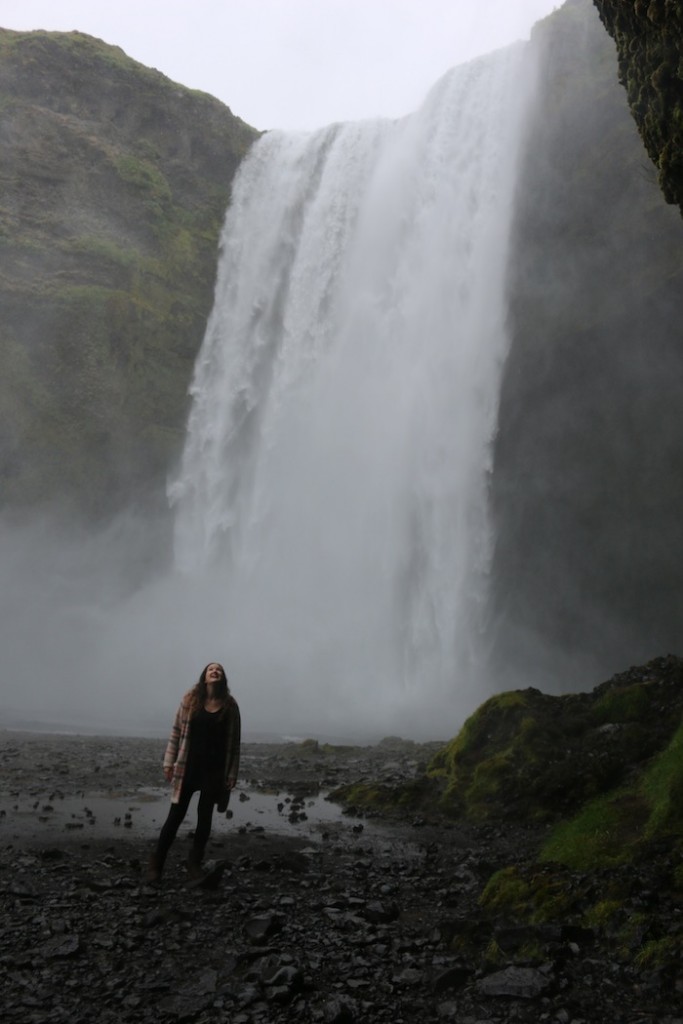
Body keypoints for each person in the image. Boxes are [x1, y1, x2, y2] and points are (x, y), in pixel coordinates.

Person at [146, 662, 241, 883]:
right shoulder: (190, 700)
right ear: (204, 677)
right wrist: (168, 762)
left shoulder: (230, 705)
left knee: (204, 818)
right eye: (210, 669)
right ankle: (156, 865)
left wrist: (231, 774)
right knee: (175, 816)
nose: (214, 671)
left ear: (223, 677)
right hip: (188, 767)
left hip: (214, 771)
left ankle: (194, 864)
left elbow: (234, 743)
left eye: (219, 669)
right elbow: (176, 731)